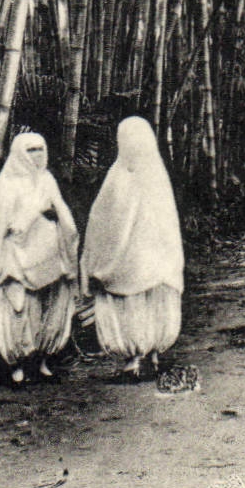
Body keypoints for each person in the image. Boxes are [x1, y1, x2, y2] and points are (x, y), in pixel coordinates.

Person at [81, 116, 184, 380]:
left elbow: (104, 222)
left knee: (133, 304)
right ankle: (151, 356)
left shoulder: (121, 177)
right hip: (155, 262)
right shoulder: (155, 177)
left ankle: (136, 359)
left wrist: (99, 262)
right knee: (149, 303)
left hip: (133, 262)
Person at [0, 132, 79, 385]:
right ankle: (17, 365)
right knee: (19, 306)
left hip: (48, 252)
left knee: (49, 306)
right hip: (17, 254)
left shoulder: (47, 179)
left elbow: (61, 210)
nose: (37, 154)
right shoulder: (7, 182)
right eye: (31, 150)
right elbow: (3, 225)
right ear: (19, 153)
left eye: (41, 149)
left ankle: (42, 362)